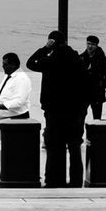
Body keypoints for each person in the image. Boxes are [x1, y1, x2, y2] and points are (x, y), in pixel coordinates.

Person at [26, 31, 88, 188]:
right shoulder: (77, 59)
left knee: (55, 146)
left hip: (54, 110)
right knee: (74, 147)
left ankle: (54, 180)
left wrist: (45, 48)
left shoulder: (50, 60)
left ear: (52, 42)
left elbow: (30, 63)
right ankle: (75, 181)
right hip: (74, 111)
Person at [80, 35, 106, 121]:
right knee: (80, 118)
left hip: (97, 93)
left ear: (97, 45)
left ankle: (95, 135)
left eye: (93, 44)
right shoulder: (81, 58)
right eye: (88, 44)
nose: (90, 46)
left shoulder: (103, 59)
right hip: (83, 92)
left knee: (97, 119)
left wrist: (101, 86)